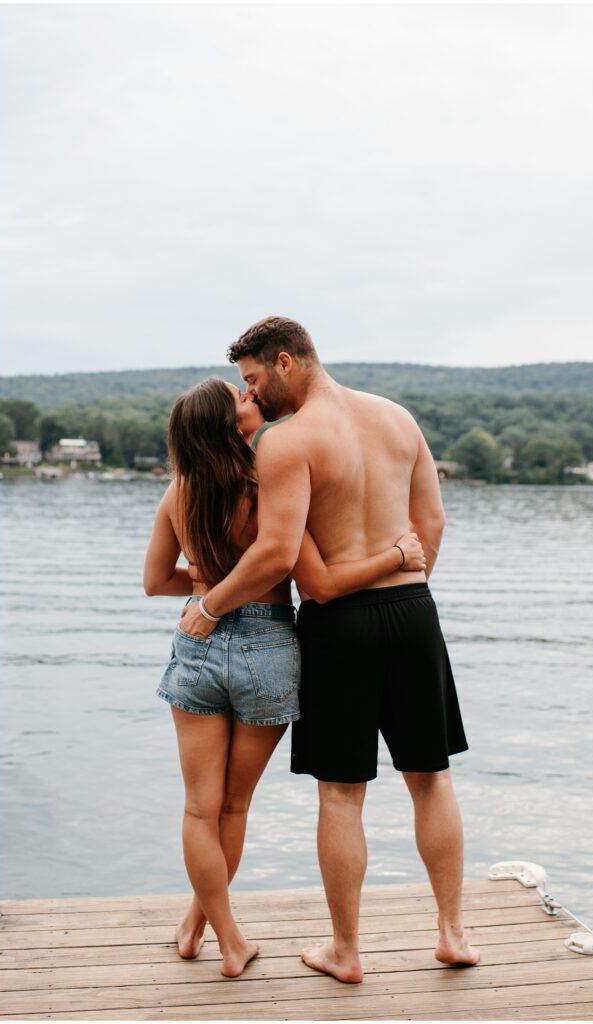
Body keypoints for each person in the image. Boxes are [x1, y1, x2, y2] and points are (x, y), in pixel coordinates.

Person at [179, 317, 480, 984]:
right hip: (412, 609)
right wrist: (403, 578)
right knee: (430, 779)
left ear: (285, 363)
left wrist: (207, 605)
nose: (253, 394)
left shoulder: (289, 442)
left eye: (254, 380)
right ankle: (452, 933)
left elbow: (279, 557)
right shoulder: (398, 419)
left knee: (342, 796)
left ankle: (346, 951)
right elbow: (430, 524)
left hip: (338, 622)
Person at [143, 376, 424, 978]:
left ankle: (211, 932)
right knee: (235, 806)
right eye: (241, 397)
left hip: (196, 639)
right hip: (268, 643)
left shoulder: (179, 493)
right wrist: (398, 557)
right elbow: (310, 577)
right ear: (228, 424)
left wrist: (204, 586)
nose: (252, 400)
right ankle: (220, 940)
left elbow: (154, 581)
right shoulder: (268, 488)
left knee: (199, 810)